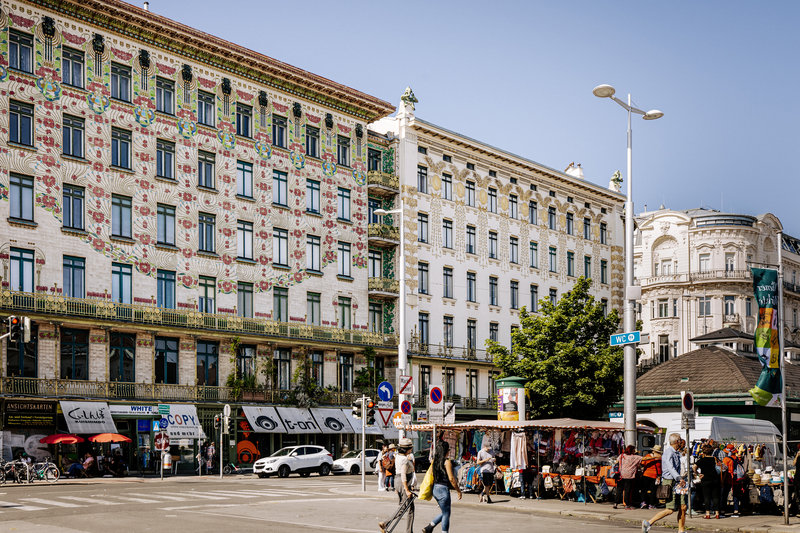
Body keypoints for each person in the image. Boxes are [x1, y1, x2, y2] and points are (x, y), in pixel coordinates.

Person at [642, 433, 687, 533]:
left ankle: (681, 530)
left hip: (677, 481)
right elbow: (670, 467)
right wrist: (678, 477)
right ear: (677, 442)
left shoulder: (676, 452)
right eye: (680, 440)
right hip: (670, 482)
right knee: (670, 509)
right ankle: (648, 523)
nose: (681, 442)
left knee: (683, 507)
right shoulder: (668, 452)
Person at [422, 440, 462, 533]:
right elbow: (451, 479)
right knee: (446, 514)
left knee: (445, 512)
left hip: (435, 489)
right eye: (448, 450)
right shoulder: (447, 462)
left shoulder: (434, 461)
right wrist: (458, 491)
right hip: (443, 490)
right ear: (446, 451)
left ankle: (429, 527)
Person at [379, 438, 415, 533]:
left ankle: (386, 523)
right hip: (403, 482)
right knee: (409, 508)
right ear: (408, 449)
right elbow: (403, 475)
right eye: (411, 448)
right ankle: (387, 524)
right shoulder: (404, 460)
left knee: (403, 507)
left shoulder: (398, 456)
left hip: (398, 481)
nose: (411, 449)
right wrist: (407, 489)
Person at [694, 444, 721, 519]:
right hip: (715, 479)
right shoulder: (715, 459)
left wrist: (698, 474)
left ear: (703, 452)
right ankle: (717, 514)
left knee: (707, 497)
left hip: (705, 479)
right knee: (716, 497)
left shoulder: (701, 460)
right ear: (712, 451)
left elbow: (694, 467)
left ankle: (708, 514)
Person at [615, 445, 642, 509]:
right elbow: (644, 459)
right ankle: (627, 504)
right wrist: (655, 457)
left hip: (620, 475)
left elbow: (616, 462)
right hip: (629, 476)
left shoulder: (622, 455)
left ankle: (616, 503)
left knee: (619, 490)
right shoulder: (635, 457)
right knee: (627, 490)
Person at [640, 445, 663, 509]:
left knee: (644, 489)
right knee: (653, 490)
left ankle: (643, 502)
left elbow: (642, 463)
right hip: (656, 476)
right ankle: (651, 504)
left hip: (646, 474)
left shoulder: (648, 456)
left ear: (653, 451)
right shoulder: (661, 457)